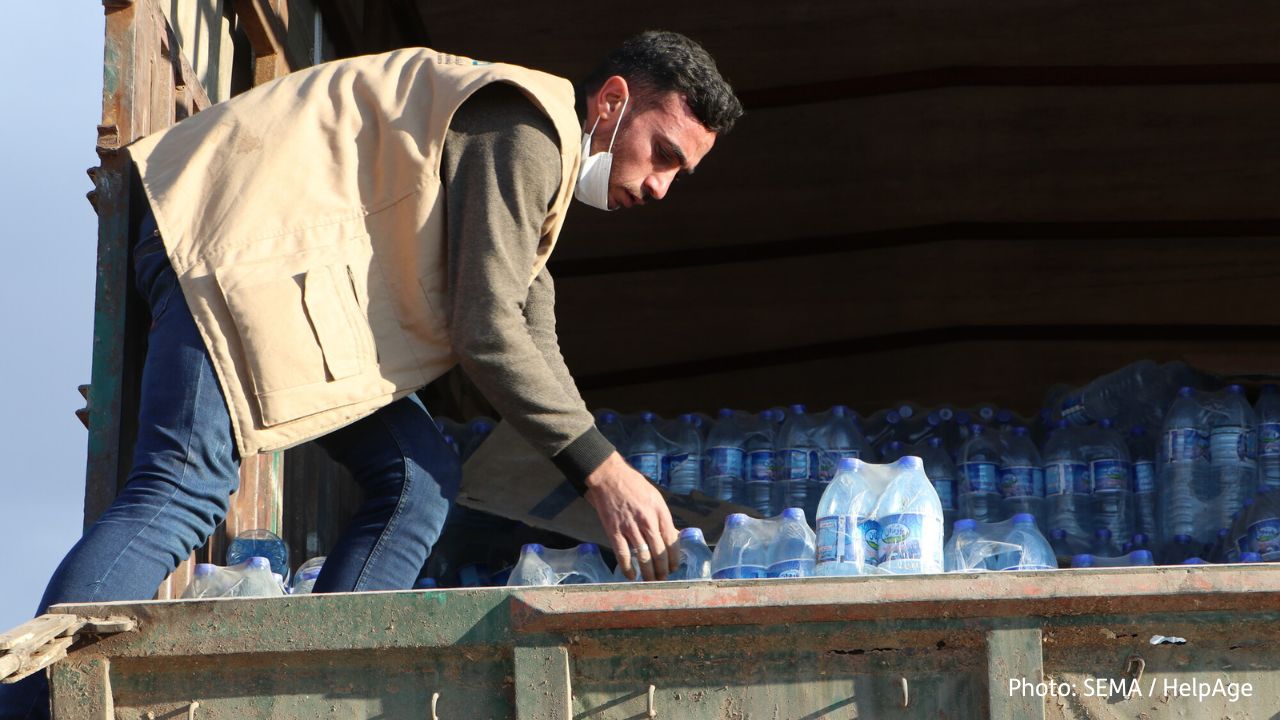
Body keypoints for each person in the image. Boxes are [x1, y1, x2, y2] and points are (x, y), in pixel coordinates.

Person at [0, 30, 741, 718]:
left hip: (290, 295)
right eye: (664, 153)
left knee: (418, 482)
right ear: (612, 102)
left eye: (683, 173)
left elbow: (529, 338)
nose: (661, 188)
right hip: (231, 257)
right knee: (183, 488)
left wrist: (595, 476)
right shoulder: (526, 127)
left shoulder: (535, 174)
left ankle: (308, 701)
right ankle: (29, 705)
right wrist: (604, 474)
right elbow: (488, 333)